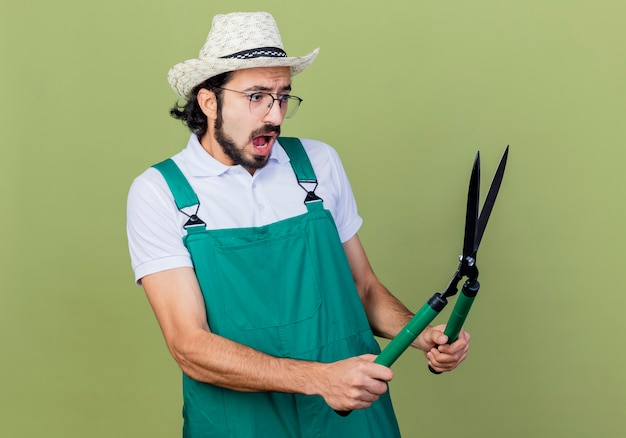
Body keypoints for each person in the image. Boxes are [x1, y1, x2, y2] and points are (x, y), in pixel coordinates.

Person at [127, 11, 470, 437]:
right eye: (256, 96)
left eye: (282, 96)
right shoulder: (160, 192)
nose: (274, 115)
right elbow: (189, 345)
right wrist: (321, 379)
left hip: (349, 420)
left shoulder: (318, 165)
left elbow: (362, 288)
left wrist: (421, 336)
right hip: (240, 425)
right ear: (208, 100)